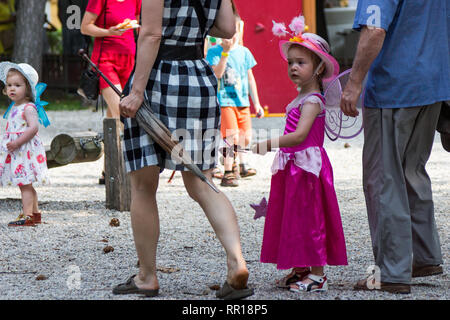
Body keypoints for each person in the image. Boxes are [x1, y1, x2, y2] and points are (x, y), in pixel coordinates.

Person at [113, 0, 253, 300]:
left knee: (143, 186)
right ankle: (236, 261)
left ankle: (147, 277)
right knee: (203, 182)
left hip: (156, 80)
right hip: (198, 80)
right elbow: (228, 28)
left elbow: (151, 35)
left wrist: (136, 92)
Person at [340, 0, 449, 294]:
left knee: (384, 178)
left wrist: (354, 82)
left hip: (394, 87)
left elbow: (374, 29)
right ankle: (424, 256)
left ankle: (391, 271)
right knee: (412, 169)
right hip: (434, 84)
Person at [252, 17, 347, 293]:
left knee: (311, 217)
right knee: (293, 216)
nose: (293, 67)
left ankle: (317, 275)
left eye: (301, 62)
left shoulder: (313, 100)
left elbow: (299, 136)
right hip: (293, 167)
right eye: (290, 62)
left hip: (308, 168)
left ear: (318, 68)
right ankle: (301, 267)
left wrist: (267, 143)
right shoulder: (299, 98)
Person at [80, 0, 141, 184]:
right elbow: (85, 27)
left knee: (113, 119)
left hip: (129, 60)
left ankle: (108, 170)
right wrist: (108, 32)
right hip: (105, 60)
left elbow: (138, 23)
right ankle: (130, 168)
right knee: (122, 112)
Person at [206, 13, 264, 187]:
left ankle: (241, 164)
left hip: (242, 102)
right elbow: (217, 74)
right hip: (225, 101)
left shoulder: (244, 52)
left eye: (234, 31)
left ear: (239, 31)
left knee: (245, 137)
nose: (231, 36)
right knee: (231, 136)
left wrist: (257, 103)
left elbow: (250, 78)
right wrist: (225, 52)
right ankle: (228, 172)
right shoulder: (214, 52)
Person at [0, 62, 50, 226]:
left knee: (24, 184)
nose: (12, 89)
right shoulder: (15, 106)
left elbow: (33, 128)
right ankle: (35, 214)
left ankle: (28, 215)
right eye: (9, 85)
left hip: (24, 150)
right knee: (25, 183)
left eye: (17, 85)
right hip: (17, 150)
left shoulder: (28, 108)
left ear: (28, 88)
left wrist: (17, 142)